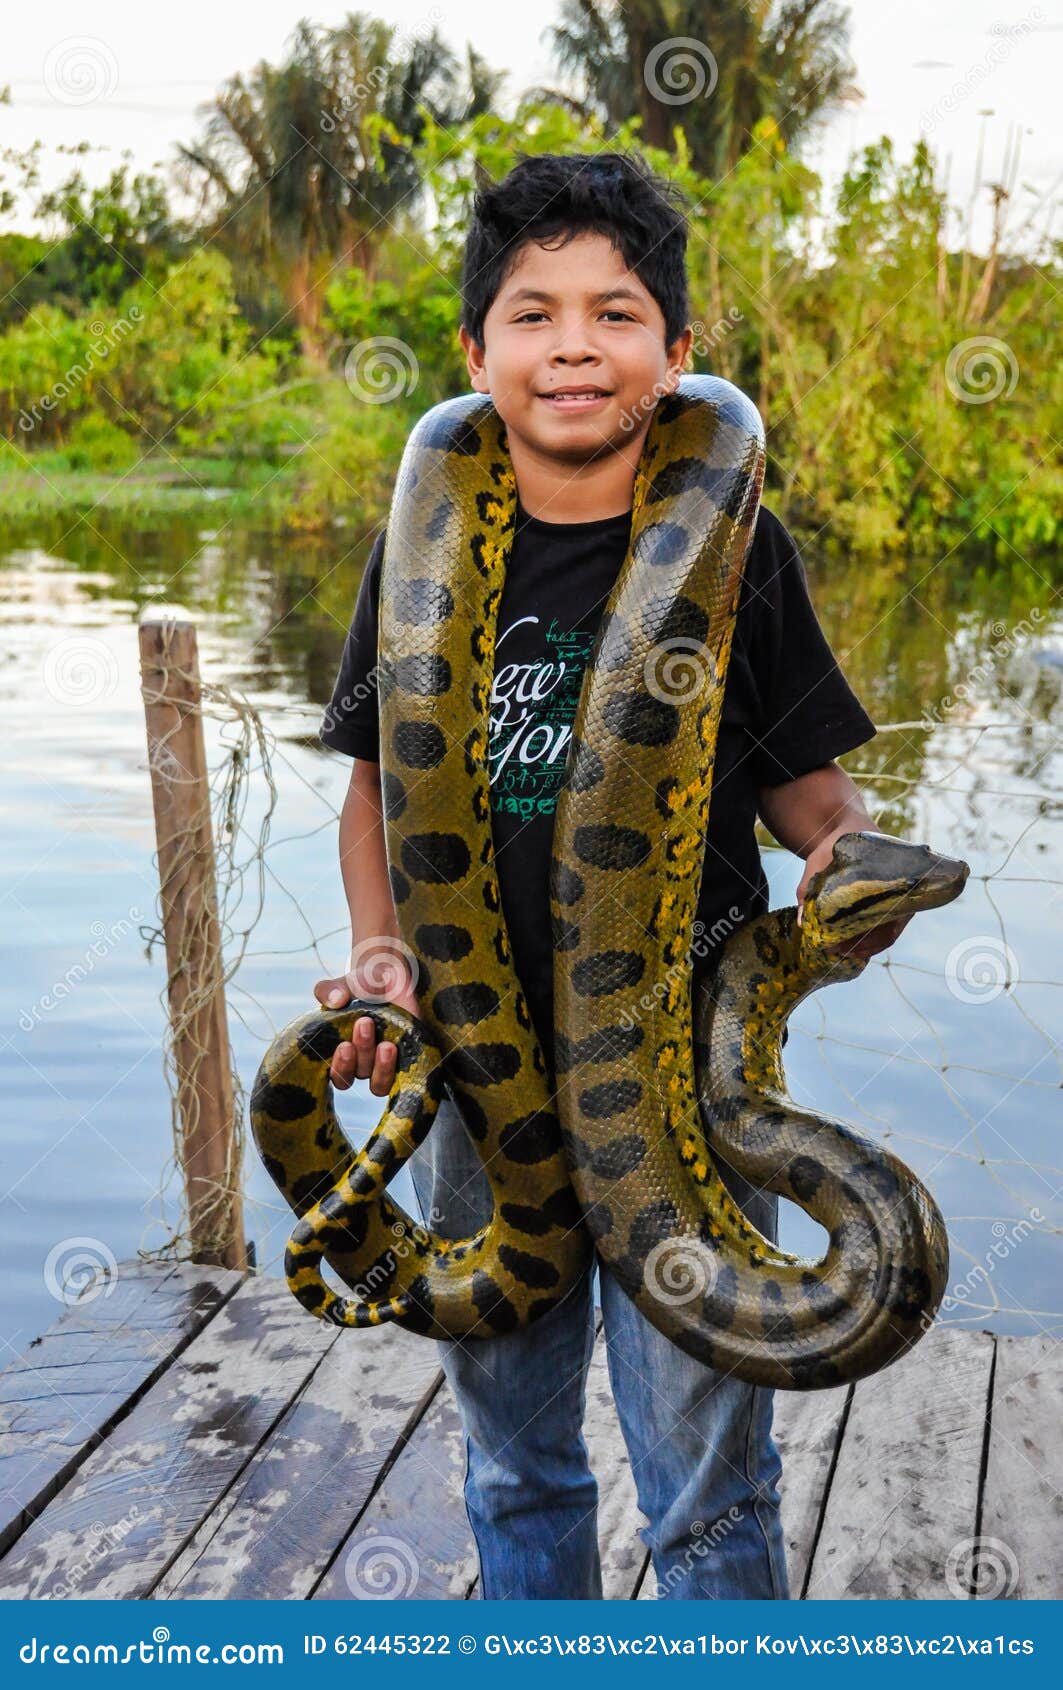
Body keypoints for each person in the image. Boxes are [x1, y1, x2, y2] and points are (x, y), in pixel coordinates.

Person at [315, 151, 907, 1601]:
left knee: (707, 1477)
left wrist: (850, 870)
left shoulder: (737, 553)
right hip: (474, 1064)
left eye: (617, 311)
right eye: (533, 313)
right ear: (475, 353)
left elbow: (814, 800)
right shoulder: (419, 555)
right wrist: (380, 953)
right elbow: (375, 790)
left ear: (679, 357)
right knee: (514, 1457)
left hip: (680, 1085)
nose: (574, 343)